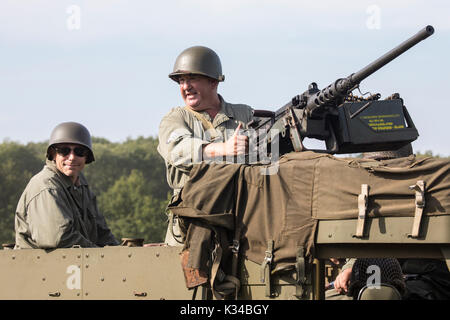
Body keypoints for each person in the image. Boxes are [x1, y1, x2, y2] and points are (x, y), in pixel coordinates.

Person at [158, 46, 254, 245]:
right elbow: (178, 150)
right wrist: (224, 149)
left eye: (192, 79)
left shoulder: (245, 115)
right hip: (192, 225)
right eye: (181, 81)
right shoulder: (175, 119)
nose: (186, 86)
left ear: (213, 81)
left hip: (241, 224)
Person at [14, 122, 119, 249]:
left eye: (79, 152)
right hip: (41, 266)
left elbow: (102, 233)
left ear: (87, 157)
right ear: (53, 154)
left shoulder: (81, 185)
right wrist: (99, 253)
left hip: (74, 265)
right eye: (64, 151)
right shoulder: (46, 186)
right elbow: (58, 238)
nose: (72, 157)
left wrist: (122, 252)